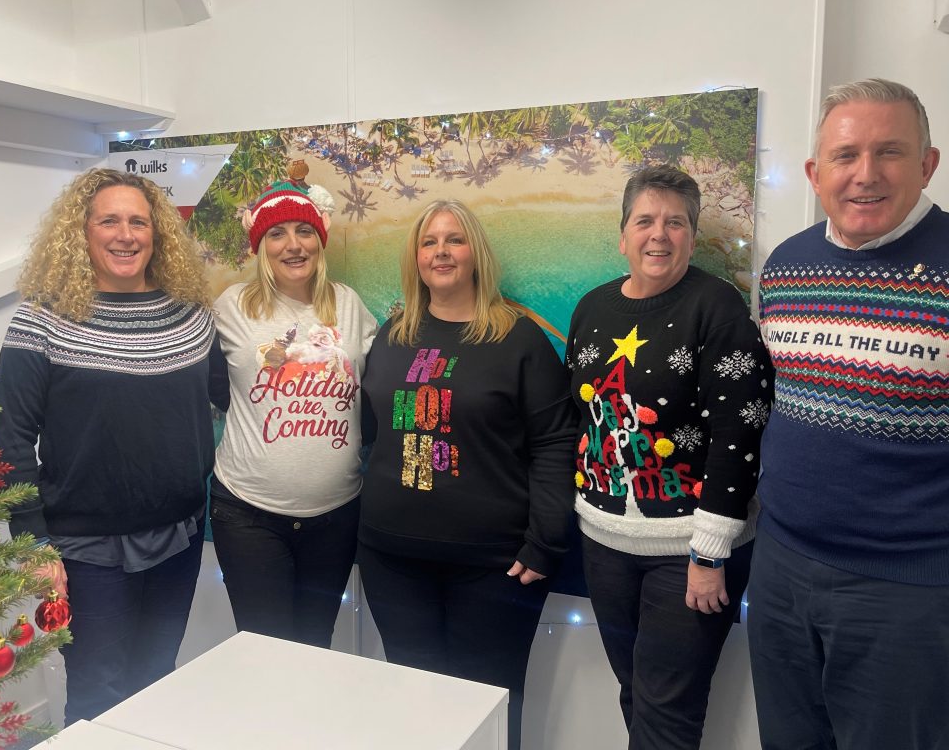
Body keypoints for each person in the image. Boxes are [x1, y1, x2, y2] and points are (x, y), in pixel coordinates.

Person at [750, 78, 949, 750]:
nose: (866, 175)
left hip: (909, 589)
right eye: (845, 156)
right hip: (781, 567)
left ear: (928, 163)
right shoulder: (786, 267)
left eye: (889, 152)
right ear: (815, 173)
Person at [0, 168, 224, 724]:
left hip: (179, 538)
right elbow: (11, 443)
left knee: (158, 681)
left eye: (138, 221)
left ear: (157, 233)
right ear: (82, 232)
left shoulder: (191, 318)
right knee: (99, 694)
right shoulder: (41, 321)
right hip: (84, 550)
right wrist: (34, 546)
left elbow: (233, 397)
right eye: (109, 221)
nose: (126, 234)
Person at [566, 165, 771, 749]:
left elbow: (741, 430)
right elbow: (581, 419)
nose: (659, 234)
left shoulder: (717, 307)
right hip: (604, 543)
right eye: (645, 220)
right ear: (623, 234)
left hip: (687, 554)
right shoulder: (592, 309)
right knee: (636, 693)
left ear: (693, 233)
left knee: (667, 711)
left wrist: (709, 552)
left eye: (675, 222)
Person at [358, 200, 575, 750]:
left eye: (453, 240)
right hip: (393, 559)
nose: (441, 252)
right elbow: (369, 430)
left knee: (489, 710)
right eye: (429, 242)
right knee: (415, 711)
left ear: (475, 253)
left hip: (494, 565)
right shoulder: (392, 335)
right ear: (415, 257)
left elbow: (555, 441)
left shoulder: (516, 339)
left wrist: (546, 540)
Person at [210, 175, 376, 648]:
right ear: (260, 246)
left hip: (337, 515)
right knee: (265, 651)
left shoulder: (348, 305)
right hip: (248, 514)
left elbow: (379, 386)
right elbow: (211, 385)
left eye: (303, 232)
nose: (293, 245)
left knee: (314, 648)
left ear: (320, 241)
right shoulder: (232, 307)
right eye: (276, 234)